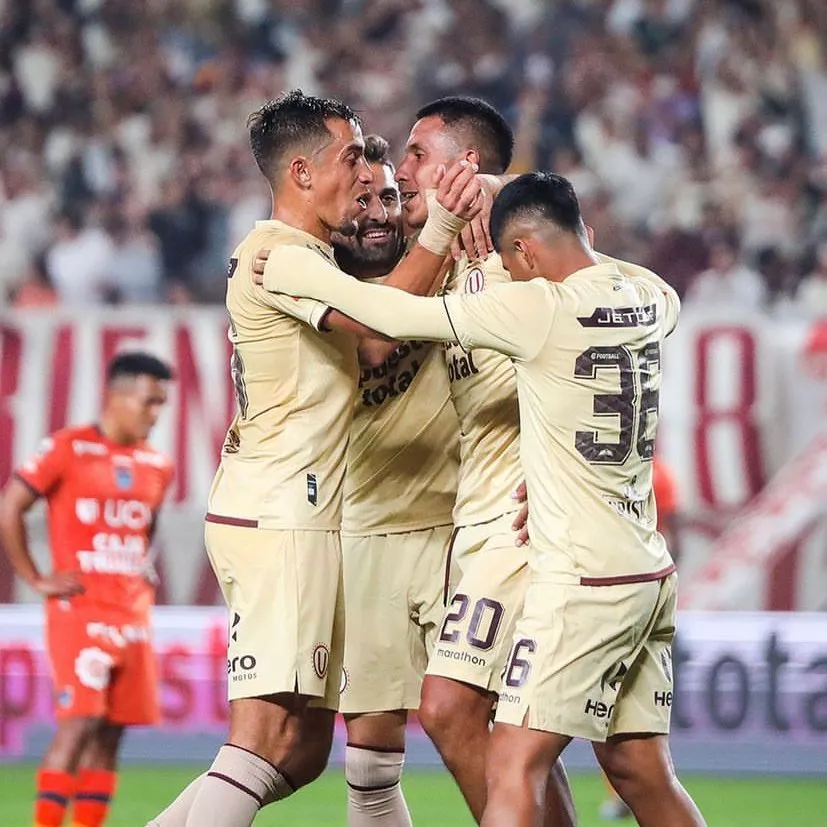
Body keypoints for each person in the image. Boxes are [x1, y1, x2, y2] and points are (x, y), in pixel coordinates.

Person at [256, 171, 708, 827]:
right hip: (646, 571)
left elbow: (395, 318)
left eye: (511, 260)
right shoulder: (647, 296)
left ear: (524, 251)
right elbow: (635, 278)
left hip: (583, 580)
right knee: (643, 770)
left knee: (513, 764)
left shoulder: (538, 309)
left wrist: (297, 274)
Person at [146, 90, 481, 827]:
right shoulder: (282, 258)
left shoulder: (303, 255)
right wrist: (448, 229)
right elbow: (381, 327)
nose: (363, 173)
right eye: (351, 157)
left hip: (297, 514)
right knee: (261, 739)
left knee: (297, 752)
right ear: (302, 172)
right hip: (280, 516)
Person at [392, 96, 575, 827]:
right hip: (473, 525)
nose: (400, 169)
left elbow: (585, 255)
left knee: (449, 707)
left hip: (522, 526)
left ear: (465, 164)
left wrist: (499, 191)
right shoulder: (435, 258)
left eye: (416, 153)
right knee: (524, 738)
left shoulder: (518, 248)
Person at [333, 133, 460, 827]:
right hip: (364, 535)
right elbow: (378, 340)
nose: (379, 212)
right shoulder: (316, 286)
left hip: (459, 534)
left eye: (389, 196)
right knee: (370, 763)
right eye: (362, 200)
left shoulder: (448, 259)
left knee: (489, 729)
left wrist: (475, 197)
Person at [0, 351, 174, 827]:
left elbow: (147, 525)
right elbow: (11, 506)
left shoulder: (158, 464)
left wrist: (140, 563)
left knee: (111, 735)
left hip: (132, 614)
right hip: (80, 611)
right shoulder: (68, 448)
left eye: (161, 404)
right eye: (149, 401)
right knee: (78, 725)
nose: (156, 413)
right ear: (115, 396)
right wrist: (36, 578)